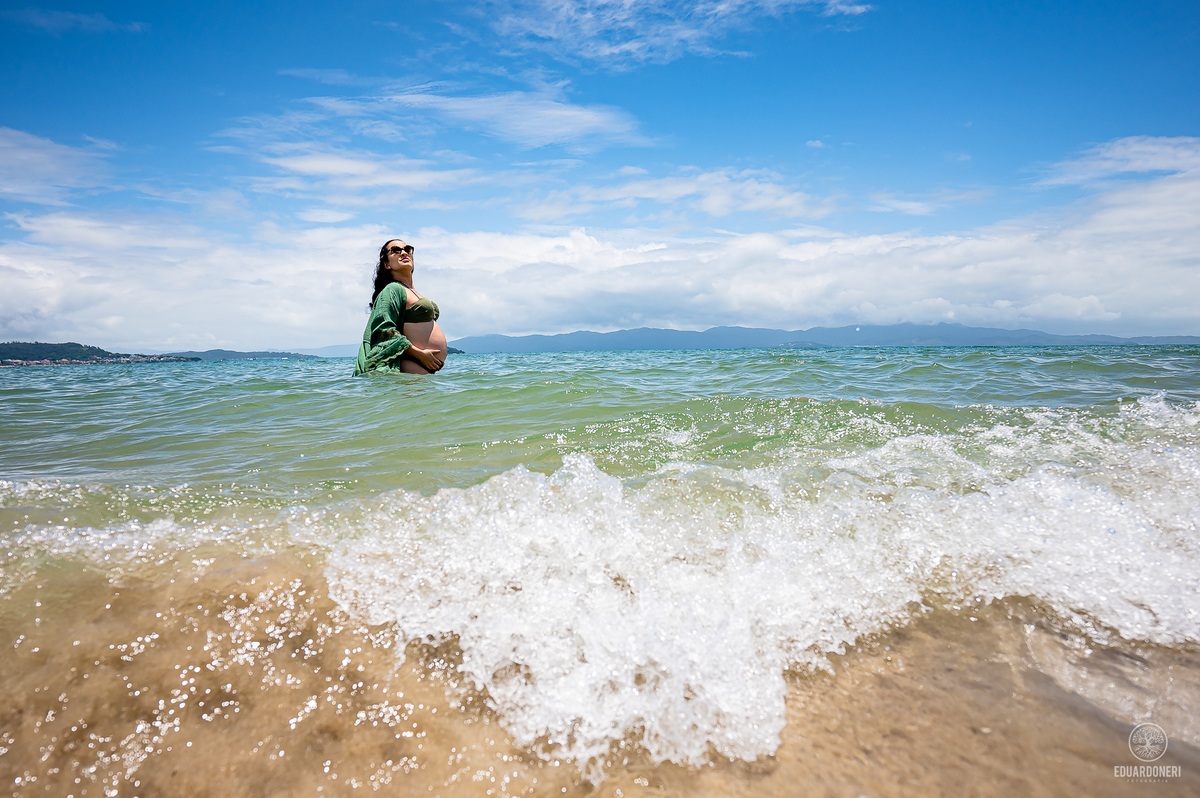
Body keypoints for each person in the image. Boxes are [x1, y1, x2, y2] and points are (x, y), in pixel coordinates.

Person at [353, 238, 447, 376]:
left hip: (422, 365)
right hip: (410, 362)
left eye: (407, 249)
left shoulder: (411, 291)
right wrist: (419, 354)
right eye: (396, 250)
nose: (404, 253)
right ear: (386, 264)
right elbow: (383, 330)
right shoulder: (392, 289)